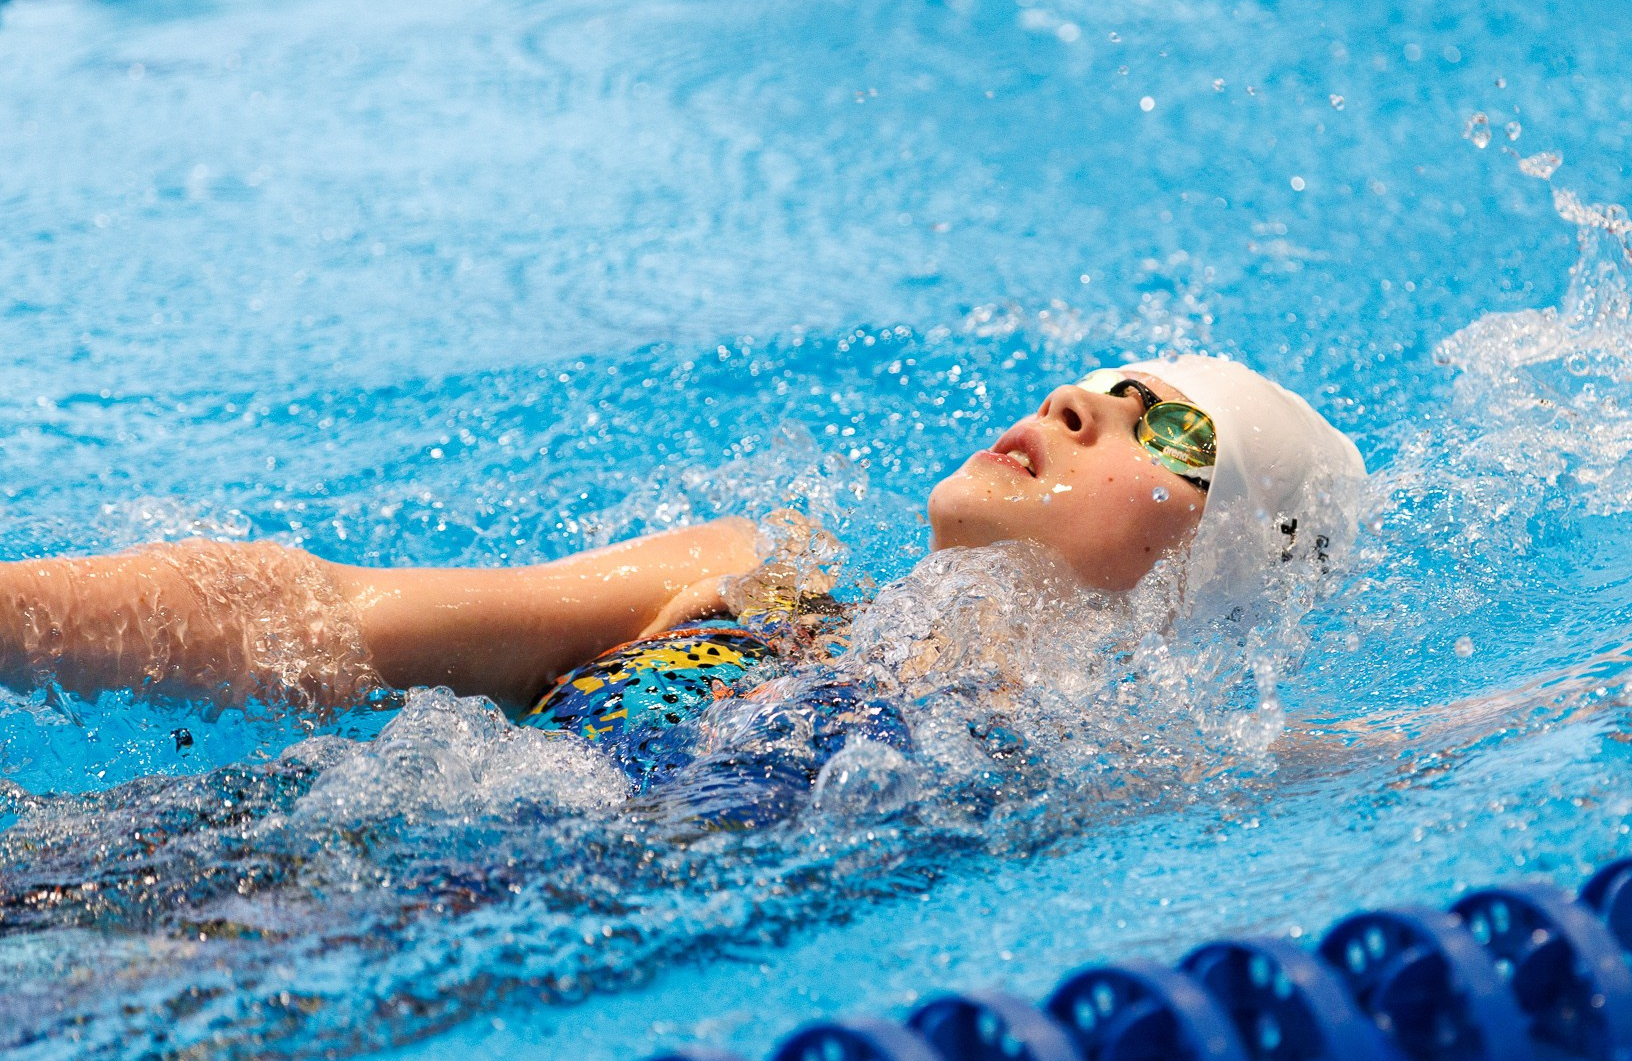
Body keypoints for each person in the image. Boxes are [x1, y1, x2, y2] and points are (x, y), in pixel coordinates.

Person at [0, 356, 1365, 800]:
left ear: (1213, 568)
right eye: (1107, 378)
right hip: (256, 857)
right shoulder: (743, 582)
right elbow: (318, 618)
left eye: (1174, 432)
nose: (1081, 402)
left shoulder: (1128, 762)